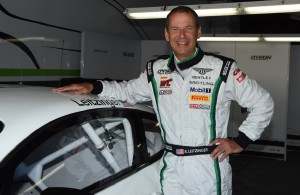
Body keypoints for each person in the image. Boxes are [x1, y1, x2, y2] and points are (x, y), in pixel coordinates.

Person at [53, 6, 274, 195]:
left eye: (188, 28)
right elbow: (127, 91)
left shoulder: (222, 69)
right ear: (167, 35)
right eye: (175, 29)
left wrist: (240, 142)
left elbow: (263, 103)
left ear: (198, 32)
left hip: (207, 165)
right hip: (171, 165)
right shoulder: (155, 70)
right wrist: (94, 86)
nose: (182, 35)